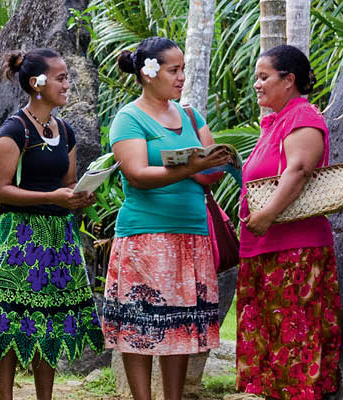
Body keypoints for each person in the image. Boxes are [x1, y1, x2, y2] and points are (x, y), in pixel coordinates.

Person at [101, 36, 231, 400]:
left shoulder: (190, 115)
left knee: (181, 325)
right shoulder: (129, 118)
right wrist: (190, 165)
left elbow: (209, 170)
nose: (181, 77)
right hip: (147, 236)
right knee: (140, 323)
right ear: (148, 73)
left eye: (183, 69)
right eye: (174, 70)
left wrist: (211, 165)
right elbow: (138, 173)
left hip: (191, 234)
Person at [0, 48, 103, 400]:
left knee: (50, 321)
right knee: (11, 320)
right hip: (20, 238)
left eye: (67, 76)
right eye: (60, 77)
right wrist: (52, 198)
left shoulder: (66, 131)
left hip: (59, 236)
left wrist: (79, 197)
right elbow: (1, 191)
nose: (67, 83)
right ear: (37, 84)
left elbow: (69, 182)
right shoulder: (14, 130)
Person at [236, 44, 341, 400]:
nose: (257, 84)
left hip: (294, 249)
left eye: (264, 77)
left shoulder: (303, 117)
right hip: (266, 246)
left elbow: (298, 170)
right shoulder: (276, 122)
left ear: (289, 80)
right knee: (272, 338)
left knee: (295, 339)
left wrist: (265, 215)